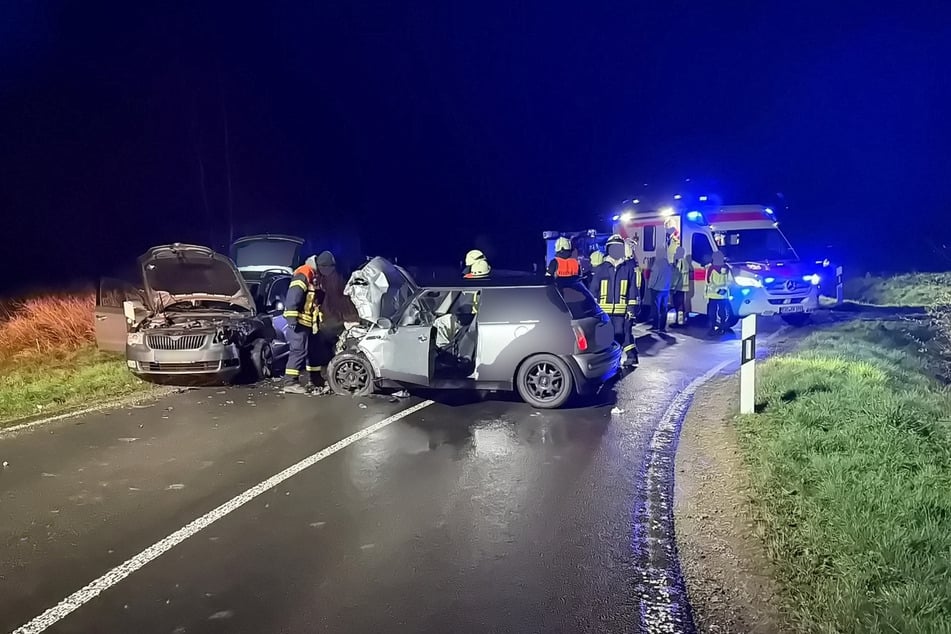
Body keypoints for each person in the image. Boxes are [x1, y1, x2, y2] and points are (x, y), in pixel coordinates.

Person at [310, 251, 359, 389]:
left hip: (329, 321)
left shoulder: (331, 279)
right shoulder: (325, 278)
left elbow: (340, 301)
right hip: (327, 321)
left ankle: (324, 377)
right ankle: (326, 377)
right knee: (325, 349)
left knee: (326, 349)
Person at [589, 234, 639, 366]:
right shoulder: (601, 268)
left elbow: (632, 290)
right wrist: (593, 311)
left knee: (622, 334)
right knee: (606, 338)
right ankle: (612, 361)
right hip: (604, 312)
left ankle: (631, 357)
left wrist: (631, 309)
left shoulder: (628, 269)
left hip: (621, 312)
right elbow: (593, 291)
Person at [282, 255, 319, 393]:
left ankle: (314, 379)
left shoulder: (311, 275)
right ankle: (290, 382)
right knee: (298, 351)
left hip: (306, 322)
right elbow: (294, 296)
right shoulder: (304, 273)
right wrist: (292, 318)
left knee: (309, 351)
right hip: (298, 321)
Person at [705, 251, 733, 336]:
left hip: (713, 294)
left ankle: (712, 328)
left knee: (712, 312)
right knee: (722, 311)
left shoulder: (710, 268)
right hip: (723, 295)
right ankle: (722, 327)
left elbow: (708, 282)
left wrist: (716, 289)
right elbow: (730, 281)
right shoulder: (727, 268)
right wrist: (724, 289)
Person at [647, 244, 673, 332]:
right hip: (666, 289)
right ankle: (662, 327)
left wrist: (649, 286)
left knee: (655, 309)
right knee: (664, 309)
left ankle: (655, 326)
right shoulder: (668, 264)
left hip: (656, 289)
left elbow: (654, 277)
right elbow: (670, 277)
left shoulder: (657, 264)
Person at [670, 246, 691, 327]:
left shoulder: (680, 262)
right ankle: (681, 321)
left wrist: (673, 287)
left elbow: (677, 276)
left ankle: (679, 322)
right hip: (682, 287)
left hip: (678, 287)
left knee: (678, 305)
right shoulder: (685, 262)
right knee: (681, 304)